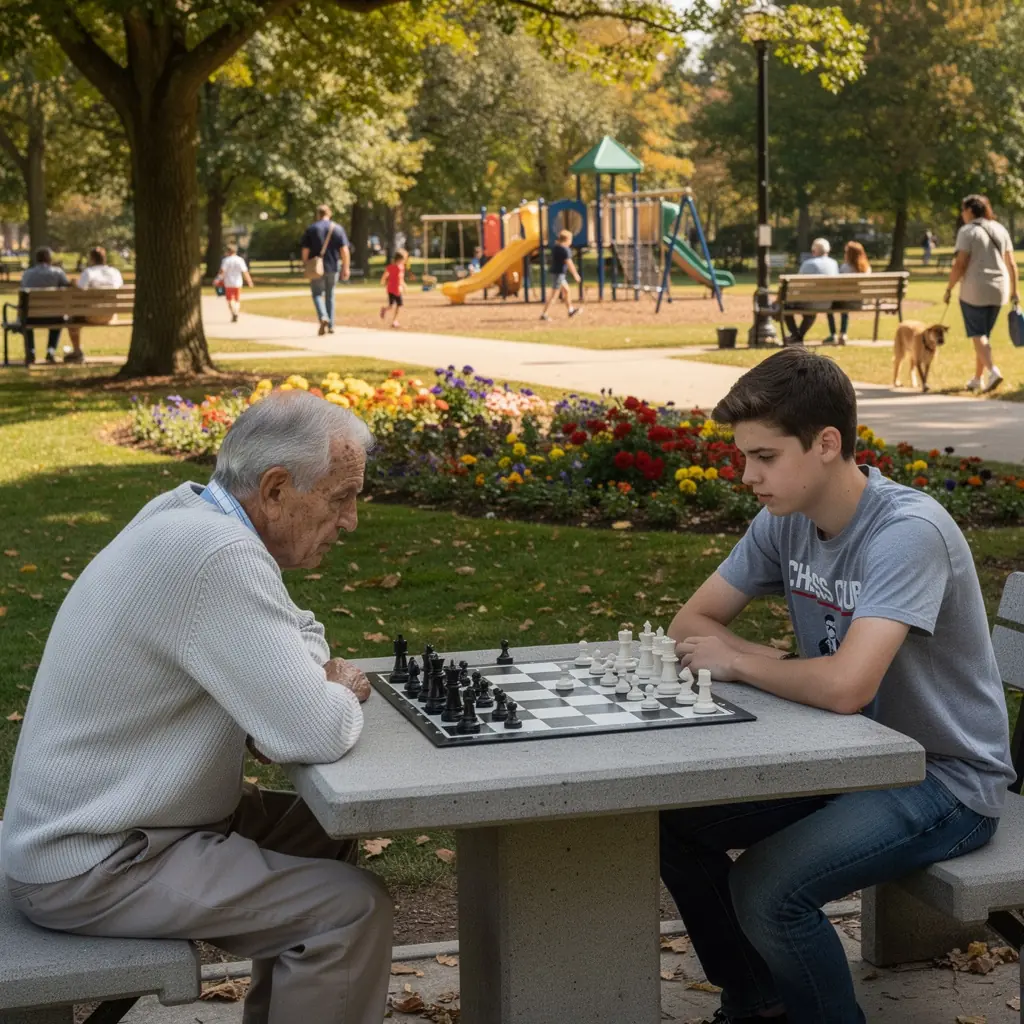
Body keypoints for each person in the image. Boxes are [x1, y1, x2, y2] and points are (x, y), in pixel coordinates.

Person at [1, 391, 392, 1024]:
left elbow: (300, 635)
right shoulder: (216, 556)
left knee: (323, 834)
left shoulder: (187, 514)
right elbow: (312, 729)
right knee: (347, 911)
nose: (349, 522)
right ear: (273, 489)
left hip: (120, 822)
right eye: (340, 497)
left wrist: (310, 676)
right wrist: (341, 688)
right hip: (93, 859)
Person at [662, 347, 1013, 1024]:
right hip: (849, 757)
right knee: (675, 823)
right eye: (744, 457)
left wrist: (743, 662)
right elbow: (691, 622)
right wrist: (795, 670)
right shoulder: (784, 520)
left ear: (827, 443)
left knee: (767, 889)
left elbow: (847, 685)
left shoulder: (906, 533)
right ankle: (757, 1001)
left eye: (764, 457)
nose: (748, 476)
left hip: (941, 777)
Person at [945, 194, 1018, 393]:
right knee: (984, 336)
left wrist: (949, 288)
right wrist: (1015, 291)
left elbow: (960, 264)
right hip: (999, 290)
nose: (962, 214)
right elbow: (1011, 263)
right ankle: (978, 378)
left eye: (963, 210)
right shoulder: (1000, 228)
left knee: (977, 334)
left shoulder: (967, 231)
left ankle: (993, 371)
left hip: (974, 289)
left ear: (969, 210)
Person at [64, 246, 124, 364]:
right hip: (110, 315)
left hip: (91, 316)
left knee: (71, 320)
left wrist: (73, 284)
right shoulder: (114, 272)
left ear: (91, 259)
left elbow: (81, 290)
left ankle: (77, 352)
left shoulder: (89, 272)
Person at [300, 204, 350, 336]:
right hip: (333, 266)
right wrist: (346, 267)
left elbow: (305, 250)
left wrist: (305, 264)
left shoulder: (312, 229)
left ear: (318, 214)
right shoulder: (337, 229)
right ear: (330, 213)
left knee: (317, 294)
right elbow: (344, 250)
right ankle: (331, 325)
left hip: (316, 267)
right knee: (330, 295)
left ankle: (323, 317)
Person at [19, 247, 69, 365]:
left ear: (37, 260)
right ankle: (50, 351)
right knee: (58, 317)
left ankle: (30, 351)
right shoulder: (58, 273)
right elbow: (67, 287)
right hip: (55, 317)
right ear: (50, 259)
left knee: (26, 322)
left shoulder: (27, 274)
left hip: (30, 317)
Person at [783, 238, 838, 344]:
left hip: (811, 302)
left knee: (786, 306)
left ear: (814, 250)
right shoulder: (834, 263)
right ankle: (797, 337)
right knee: (810, 312)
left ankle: (795, 336)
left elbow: (796, 284)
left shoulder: (808, 264)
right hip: (827, 303)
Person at [829, 240, 872, 346]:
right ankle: (843, 333)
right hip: (861, 302)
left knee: (830, 304)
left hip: (846, 301)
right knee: (845, 301)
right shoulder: (867, 268)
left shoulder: (845, 268)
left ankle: (834, 334)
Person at [539, 229, 582, 321]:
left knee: (566, 291)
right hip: (559, 274)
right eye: (570, 240)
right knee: (554, 295)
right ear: (567, 240)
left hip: (556, 273)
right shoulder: (565, 250)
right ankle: (544, 313)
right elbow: (569, 263)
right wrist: (575, 274)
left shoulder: (556, 247)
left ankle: (570, 310)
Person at [215, 244, 254, 323]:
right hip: (238, 283)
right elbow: (245, 272)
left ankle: (233, 313)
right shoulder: (240, 260)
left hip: (228, 283)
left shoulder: (226, 260)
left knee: (230, 300)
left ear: (228, 251)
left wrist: (217, 279)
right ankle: (236, 311)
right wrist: (249, 281)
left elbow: (222, 271)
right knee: (237, 300)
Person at [379, 248, 407, 328]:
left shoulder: (391, 267)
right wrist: (403, 286)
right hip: (396, 289)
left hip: (390, 289)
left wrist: (382, 281)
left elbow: (385, 275)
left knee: (391, 305)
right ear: (400, 259)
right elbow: (400, 278)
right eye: (404, 259)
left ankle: (384, 309)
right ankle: (395, 321)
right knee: (399, 305)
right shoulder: (400, 267)